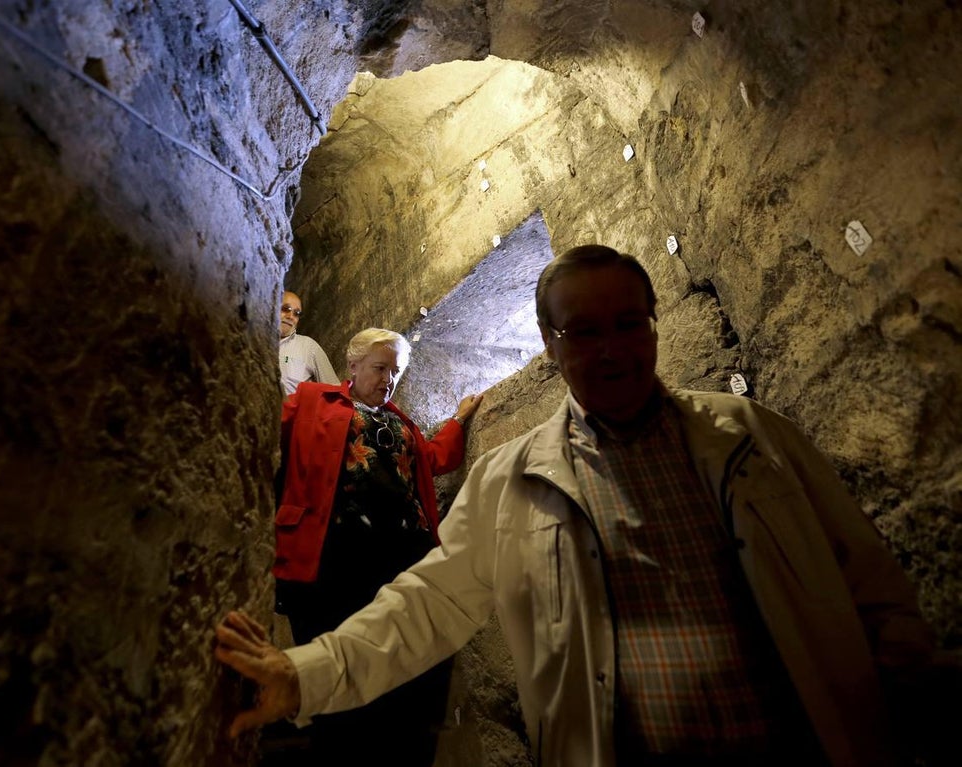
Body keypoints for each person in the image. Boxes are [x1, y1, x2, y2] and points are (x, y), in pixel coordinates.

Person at [218, 246, 945, 767]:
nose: (612, 350)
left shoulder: (753, 438)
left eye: (629, 324)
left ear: (655, 326)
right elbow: (426, 606)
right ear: (550, 343)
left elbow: (872, 585)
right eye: (585, 331)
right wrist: (304, 675)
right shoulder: (510, 479)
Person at [270, 327, 484, 766]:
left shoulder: (402, 422)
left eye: (396, 371)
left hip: (404, 556)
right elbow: (268, 437)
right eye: (380, 367)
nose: (388, 379)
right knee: (339, 674)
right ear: (352, 367)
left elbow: (430, 459)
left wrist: (459, 420)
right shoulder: (313, 400)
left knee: (405, 678)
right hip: (337, 557)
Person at [278, 290, 339, 395]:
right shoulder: (251, 344)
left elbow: (334, 391)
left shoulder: (309, 347)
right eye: (286, 309)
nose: (291, 316)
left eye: (296, 313)